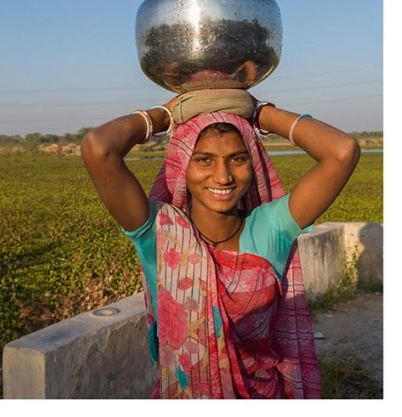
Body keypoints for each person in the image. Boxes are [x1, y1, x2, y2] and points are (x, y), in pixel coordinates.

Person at [81, 91, 360, 399]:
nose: (223, 176)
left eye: (237, 159)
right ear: (182, 167)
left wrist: (258, 113)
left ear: (252, 165)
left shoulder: (270, 228)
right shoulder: (159, 233)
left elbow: (342, 151)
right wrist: (164, 115)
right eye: (204, 160)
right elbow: (99, 149)